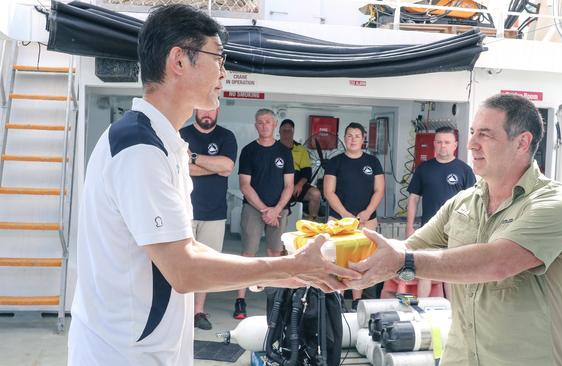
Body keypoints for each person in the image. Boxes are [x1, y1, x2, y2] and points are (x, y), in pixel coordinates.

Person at [68, 5, 358, 365]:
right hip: (123, 351)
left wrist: (289, 274)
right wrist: (290, 268)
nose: (224, 71)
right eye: (218, 58)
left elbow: (188, 249)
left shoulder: (163, 143)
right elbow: (184, 270)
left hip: (151, 346)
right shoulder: (138, 148)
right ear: (179, 60)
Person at [347, 94, 562, 366]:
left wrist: (403, 262)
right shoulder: (463, 202)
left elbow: (497, 263)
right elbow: (410, 246)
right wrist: (345, 261)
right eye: (472, 133)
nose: (471, 144)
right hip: (460, 357)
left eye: (485, 134)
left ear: (522, 142)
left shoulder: (557, 207)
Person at [179, 107, 237, 330]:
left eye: (211, 110)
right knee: (182, 263)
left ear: (218, 111)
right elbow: (179, 168)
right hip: (184, 210)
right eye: (203, 109)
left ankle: (197, 311)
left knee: (207, 264)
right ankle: (179, 312)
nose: (207, 113)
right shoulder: (181, 135)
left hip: (214, 213)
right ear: (195, 109)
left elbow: (227, 167)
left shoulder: (226, 137)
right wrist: (213, 166)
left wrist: (193, 158)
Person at [235, 108, 295, 319]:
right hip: (253, 208)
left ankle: (275, 299)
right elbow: (244, 185)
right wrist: (264, 210)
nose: (264, 125)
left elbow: (289, 186)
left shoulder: (284, 152)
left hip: (279, 210)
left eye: (268, 122)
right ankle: (240, 300)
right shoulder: (249, 151)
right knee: (248, 255)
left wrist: (276, 210)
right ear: (255, 125)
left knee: (275, 254)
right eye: (260, 122)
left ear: (274, 124)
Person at [405, 126, 475, 297]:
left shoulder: (464, 170)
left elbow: (474, 202)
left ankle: (452, 315)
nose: (443, 146)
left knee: (450, 276)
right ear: (434, 144)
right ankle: (421, 310)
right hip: (429, 229)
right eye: (439, 142)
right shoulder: (424, 169)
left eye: (447, 142)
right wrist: (409, 227)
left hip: (456, 230)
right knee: (425, 272)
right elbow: (413, 199)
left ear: (455, 145)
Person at [323, 122, 385, 310]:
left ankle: (358, 299)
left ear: (363, 138)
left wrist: (366, 212)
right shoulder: (335, 162)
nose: (353, 139)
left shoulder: (372, 162)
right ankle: (338, 299)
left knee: (361, 260)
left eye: (357, 136)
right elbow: (329, 192)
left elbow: (379, 190)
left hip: (367, 220)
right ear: (344, 138)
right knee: (338, 259)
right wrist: (345, 215)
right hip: (339, 220)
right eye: (349, 136)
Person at [279, 118, 322, 221]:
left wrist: (299, 185)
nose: (286, 133)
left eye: (289, 131)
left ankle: (312, 222)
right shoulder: (274, 147)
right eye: (284, 130)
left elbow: (307, 171)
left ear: (293, 132)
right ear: (279, 131)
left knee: (315, 194)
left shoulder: (301, 149)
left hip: (297, 186)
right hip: (279, 186)